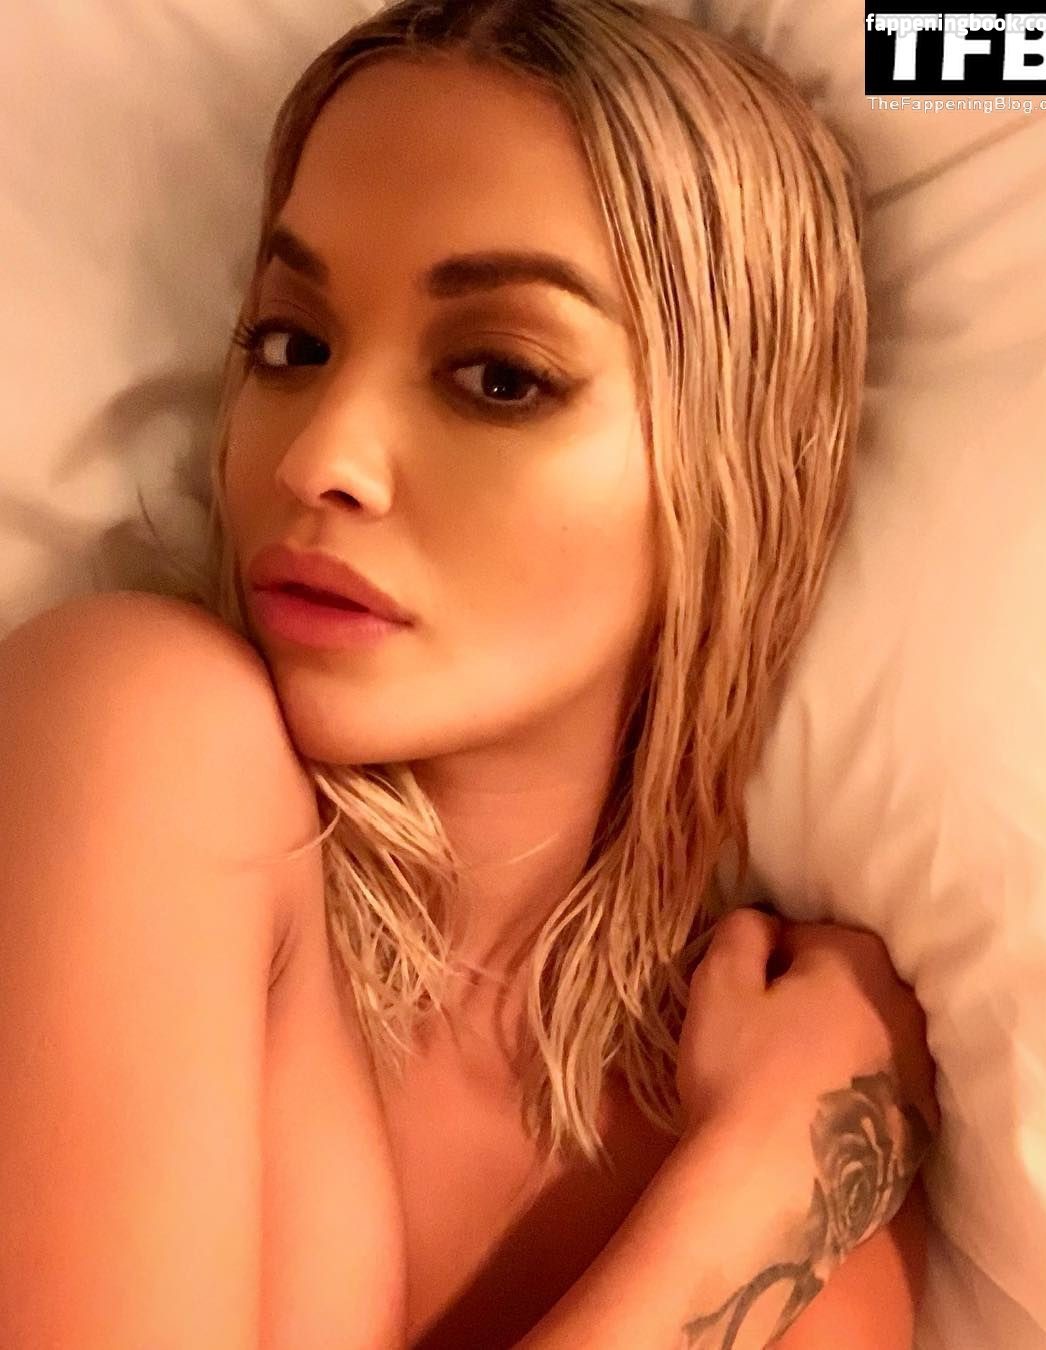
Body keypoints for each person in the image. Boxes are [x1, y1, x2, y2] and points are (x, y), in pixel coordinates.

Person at [0, 1, 941, 1347]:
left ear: (730, 470)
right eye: (291, 344)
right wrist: (750, 1194)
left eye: (500, 376)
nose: (318, 456)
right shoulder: (141, 735)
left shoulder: (809, 1167)